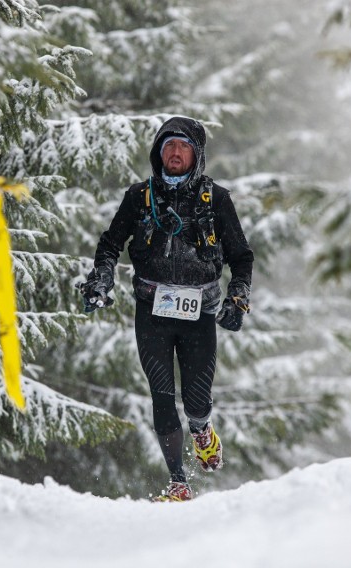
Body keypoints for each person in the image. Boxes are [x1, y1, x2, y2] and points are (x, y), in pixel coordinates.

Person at [77, 116, 254, 501]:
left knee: (194, 399)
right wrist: (101, 280)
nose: (175, 152)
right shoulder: (139, 197)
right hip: (151, 309)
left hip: (199, 312)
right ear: (158, 153)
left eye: (184, 146)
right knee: (161, 394)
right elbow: (110, 244)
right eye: (168, 145)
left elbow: (241, 257)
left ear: (197, 154)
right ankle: (178, 482)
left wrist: (237, 298)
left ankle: (203, 428)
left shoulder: (216, 199)